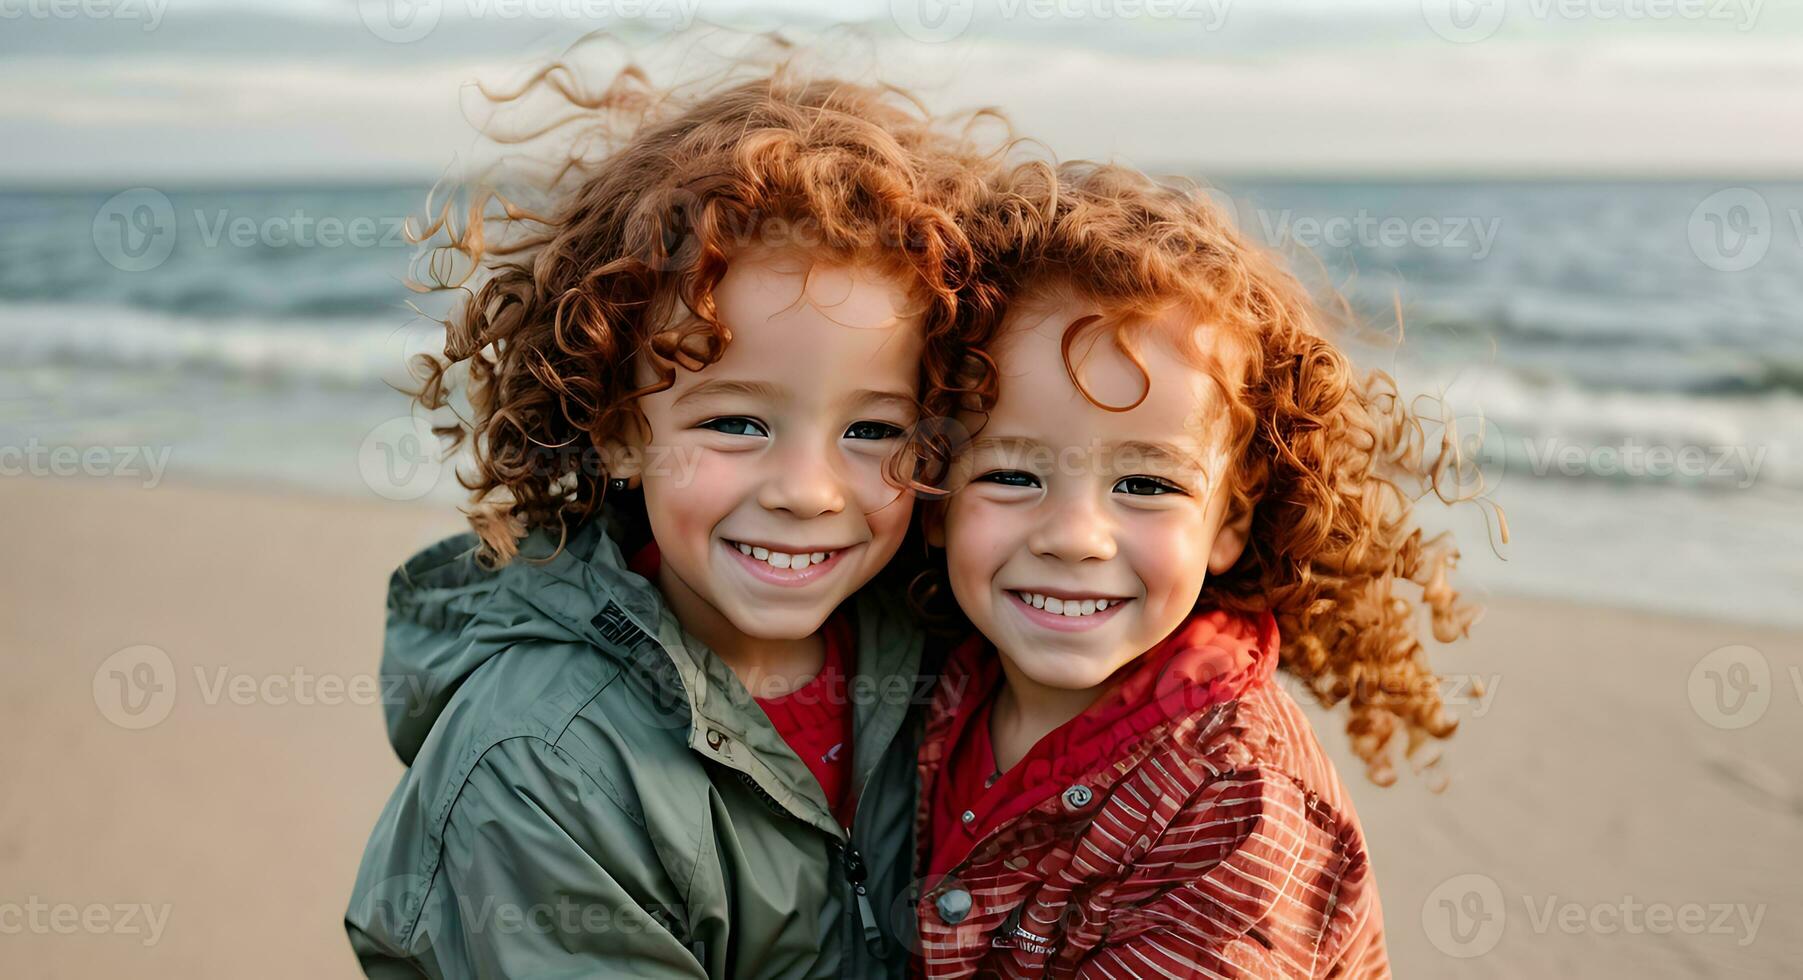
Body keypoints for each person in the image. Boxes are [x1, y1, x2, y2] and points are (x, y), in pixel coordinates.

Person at [344, 59, 1001, 979]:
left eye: (872, 429)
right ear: (617, 432)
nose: (806, 491)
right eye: (736, 422)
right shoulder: (542, 765)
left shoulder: (943, 651)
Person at [911, 160, 1487, 977]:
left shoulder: (1237, 809)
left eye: (1145, 484)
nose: (1075, 538)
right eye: (1011, 474)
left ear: (1230, 523)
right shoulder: (932, 671)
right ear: (936, 498)